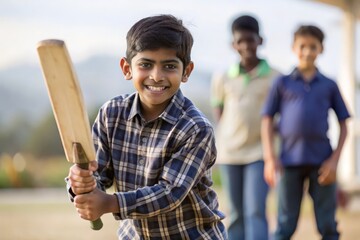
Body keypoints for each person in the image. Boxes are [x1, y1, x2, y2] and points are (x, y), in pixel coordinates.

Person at [67, 14, 227, 239]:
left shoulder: (196, 128)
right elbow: (98, 175)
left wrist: (109, 203)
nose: (156, 76)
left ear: (186, 71)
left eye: (169, 66)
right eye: (146, 64)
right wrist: (80, 184)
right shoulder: (111, 115)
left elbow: (170, 194)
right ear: (127, 68)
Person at [261, 25, 350, 240]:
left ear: (321, 49)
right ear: (294, 48)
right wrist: (270, 159)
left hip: (322, 163)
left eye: (313, 47)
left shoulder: (329, 85)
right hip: (289, 162)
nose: (307, 51)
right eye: (303, 46)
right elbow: (266, 120)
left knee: (327, 224)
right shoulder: (282, 83)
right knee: (284, 224)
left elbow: (344, 124)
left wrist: (334, 161)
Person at [210, 15, 279, 240]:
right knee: (237, 212)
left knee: (256, 210)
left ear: (260, 40)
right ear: (234, 44)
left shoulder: (276, 77)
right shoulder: (222, 77)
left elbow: (280, 116)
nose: (246, 46)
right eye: (241, 41)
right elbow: (218, 110)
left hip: (260, 153)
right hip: (230, 154)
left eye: (251, 40)